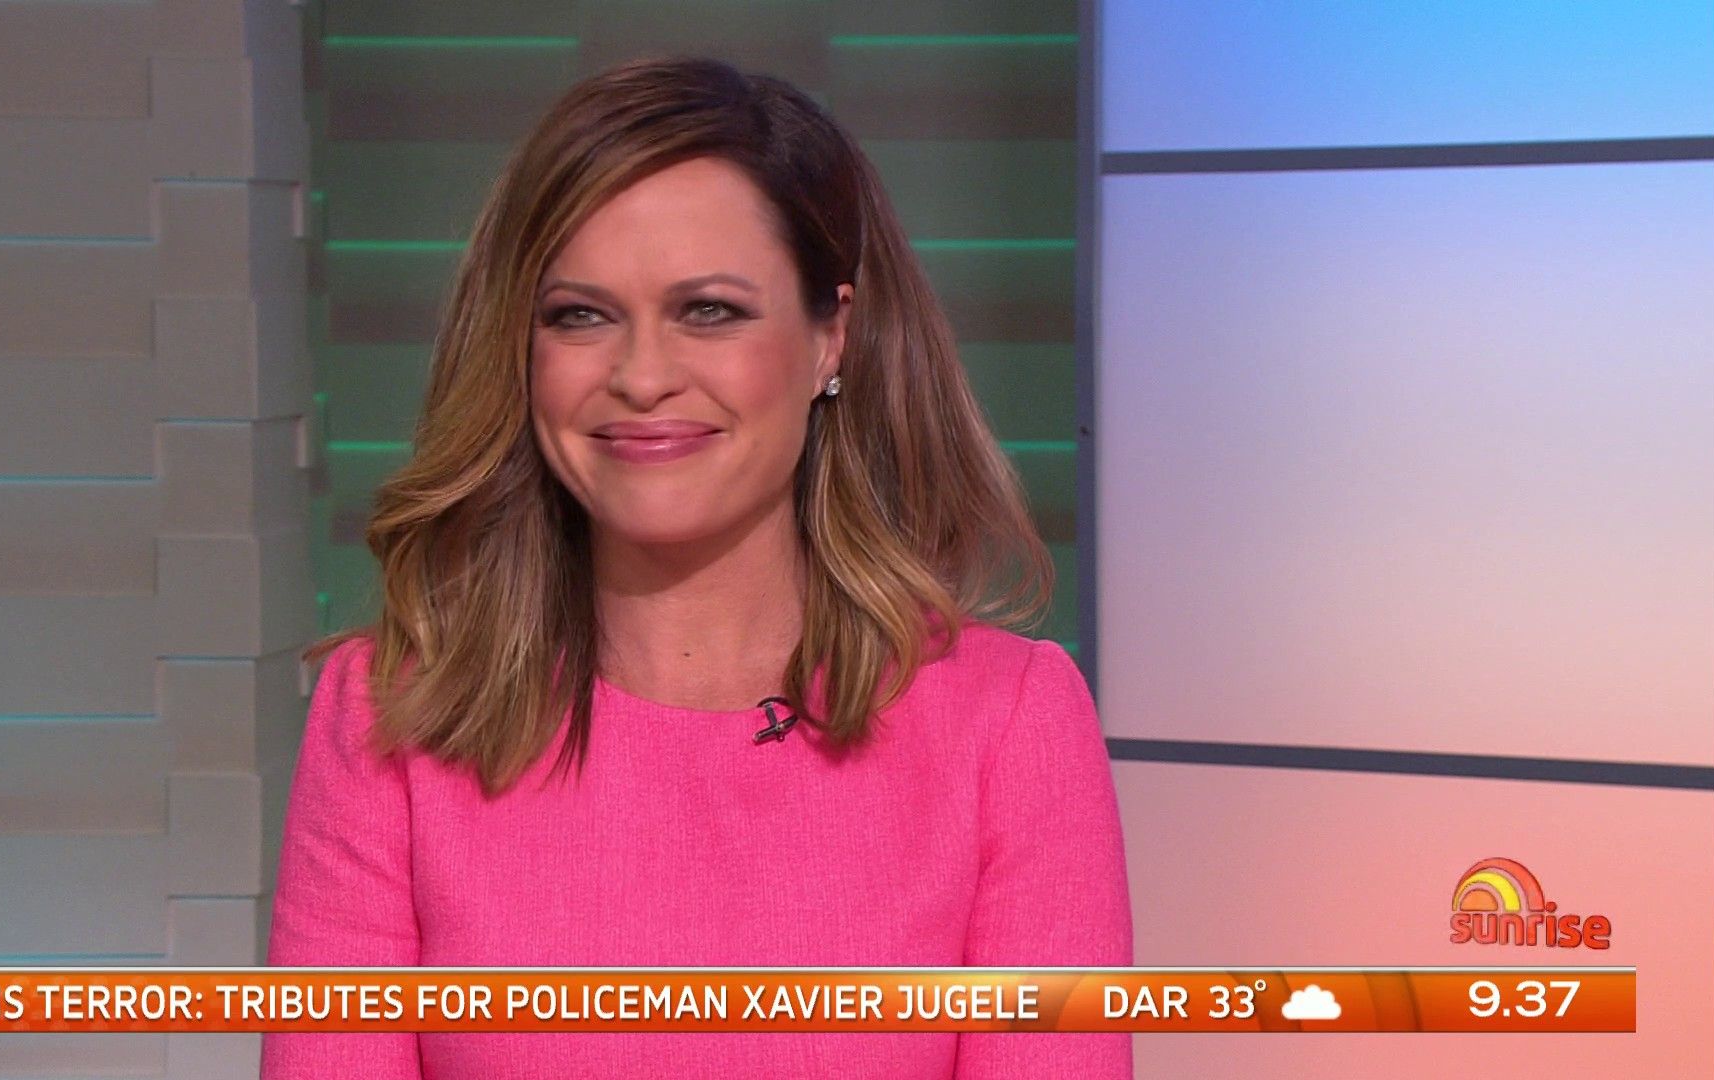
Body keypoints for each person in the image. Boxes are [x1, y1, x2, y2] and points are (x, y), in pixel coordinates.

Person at [262, 55, 1131, 1079]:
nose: (642, 376)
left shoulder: (1008, 725)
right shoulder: (391, 714)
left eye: (709, 310)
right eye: (580, 314)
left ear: (831, 338)